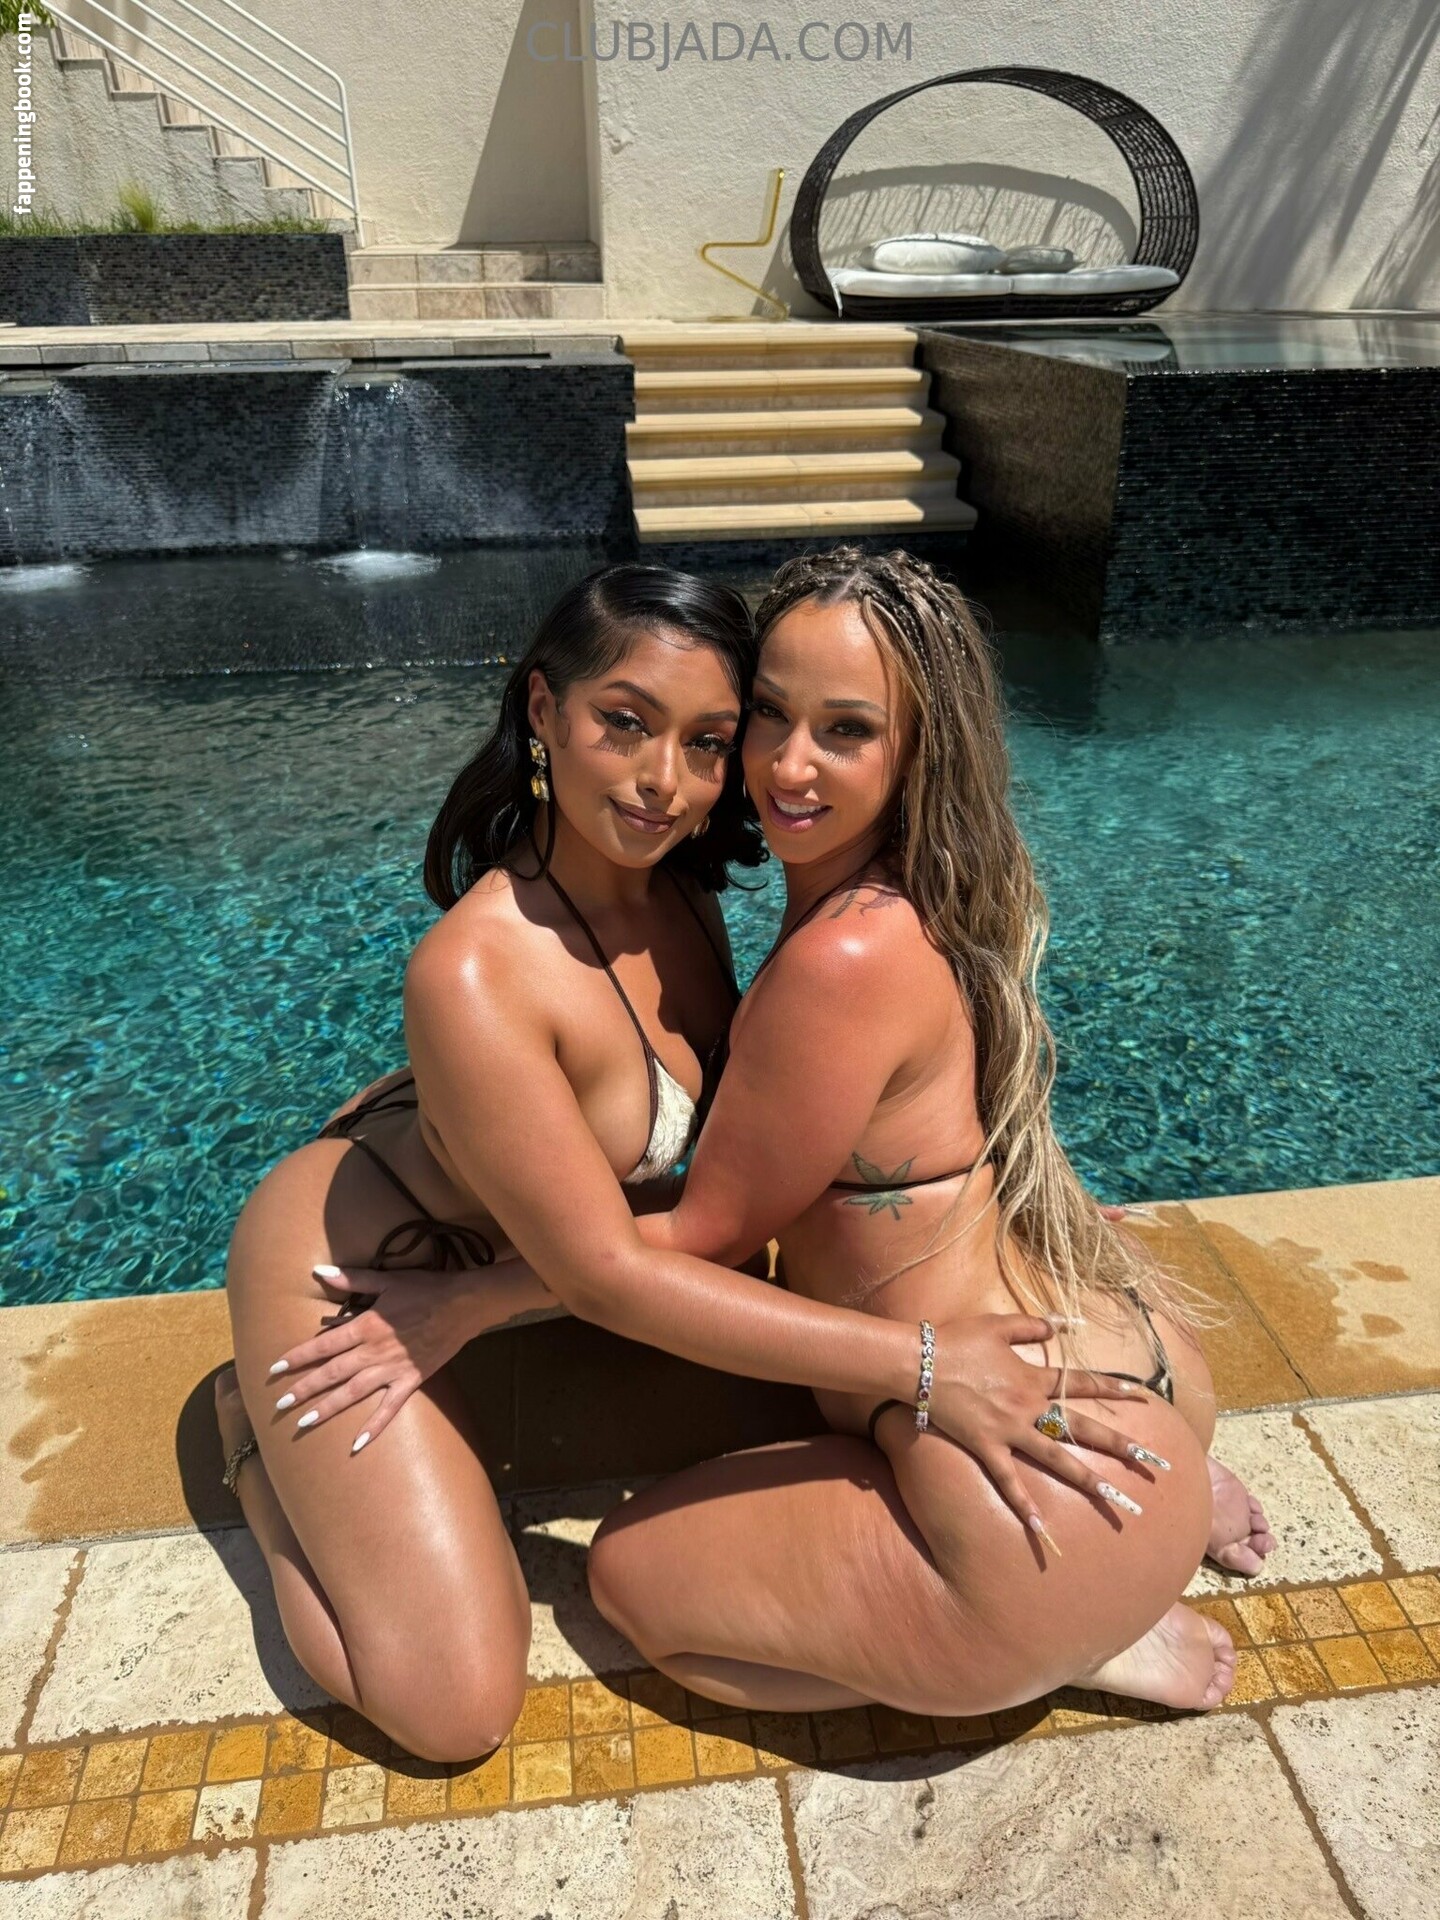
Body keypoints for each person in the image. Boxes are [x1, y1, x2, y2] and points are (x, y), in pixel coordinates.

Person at [218, 560, 1150, 1763]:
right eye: (626, 723)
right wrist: (926, 1364)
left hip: (535, 1275)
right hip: (367, 1272)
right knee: (452, 1711)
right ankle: (256, 1445)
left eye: (708, 741)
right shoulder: (472, 971)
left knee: (894, 1419)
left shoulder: (681, 890)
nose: (665, 780)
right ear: (543, 709)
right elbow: (608, 1273)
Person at [581, 546, 1256, 1716]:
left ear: (918, 750)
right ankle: (1142, 1545)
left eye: (845, 731)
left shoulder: (842, 956)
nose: (787, 765)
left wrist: (463, 1298)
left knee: (629, 1582)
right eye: (770, 715)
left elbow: (695, 1240)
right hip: (1126, 1376)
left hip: (1025, 1487)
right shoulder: (945, 892)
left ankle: (1081, 1634)